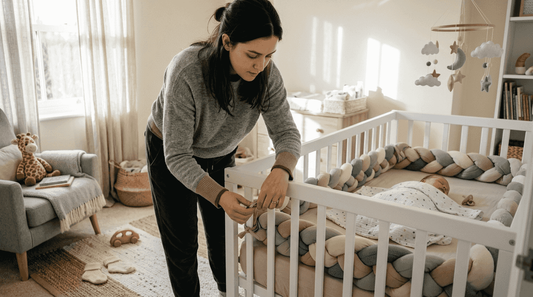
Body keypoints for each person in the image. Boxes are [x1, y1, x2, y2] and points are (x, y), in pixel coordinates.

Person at [144, 1, 301, 296]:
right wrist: (220, 195)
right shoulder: (187, 69)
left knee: (223, 237)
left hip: (221, 153)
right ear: (227, 42)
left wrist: (282, 170)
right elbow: (177, 156)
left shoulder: (267, 74)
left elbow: (287, 133)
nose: (261, 65)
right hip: (170, 150)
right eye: (252, 55)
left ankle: (228, 292)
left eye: (269, 55)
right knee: (182, 242)